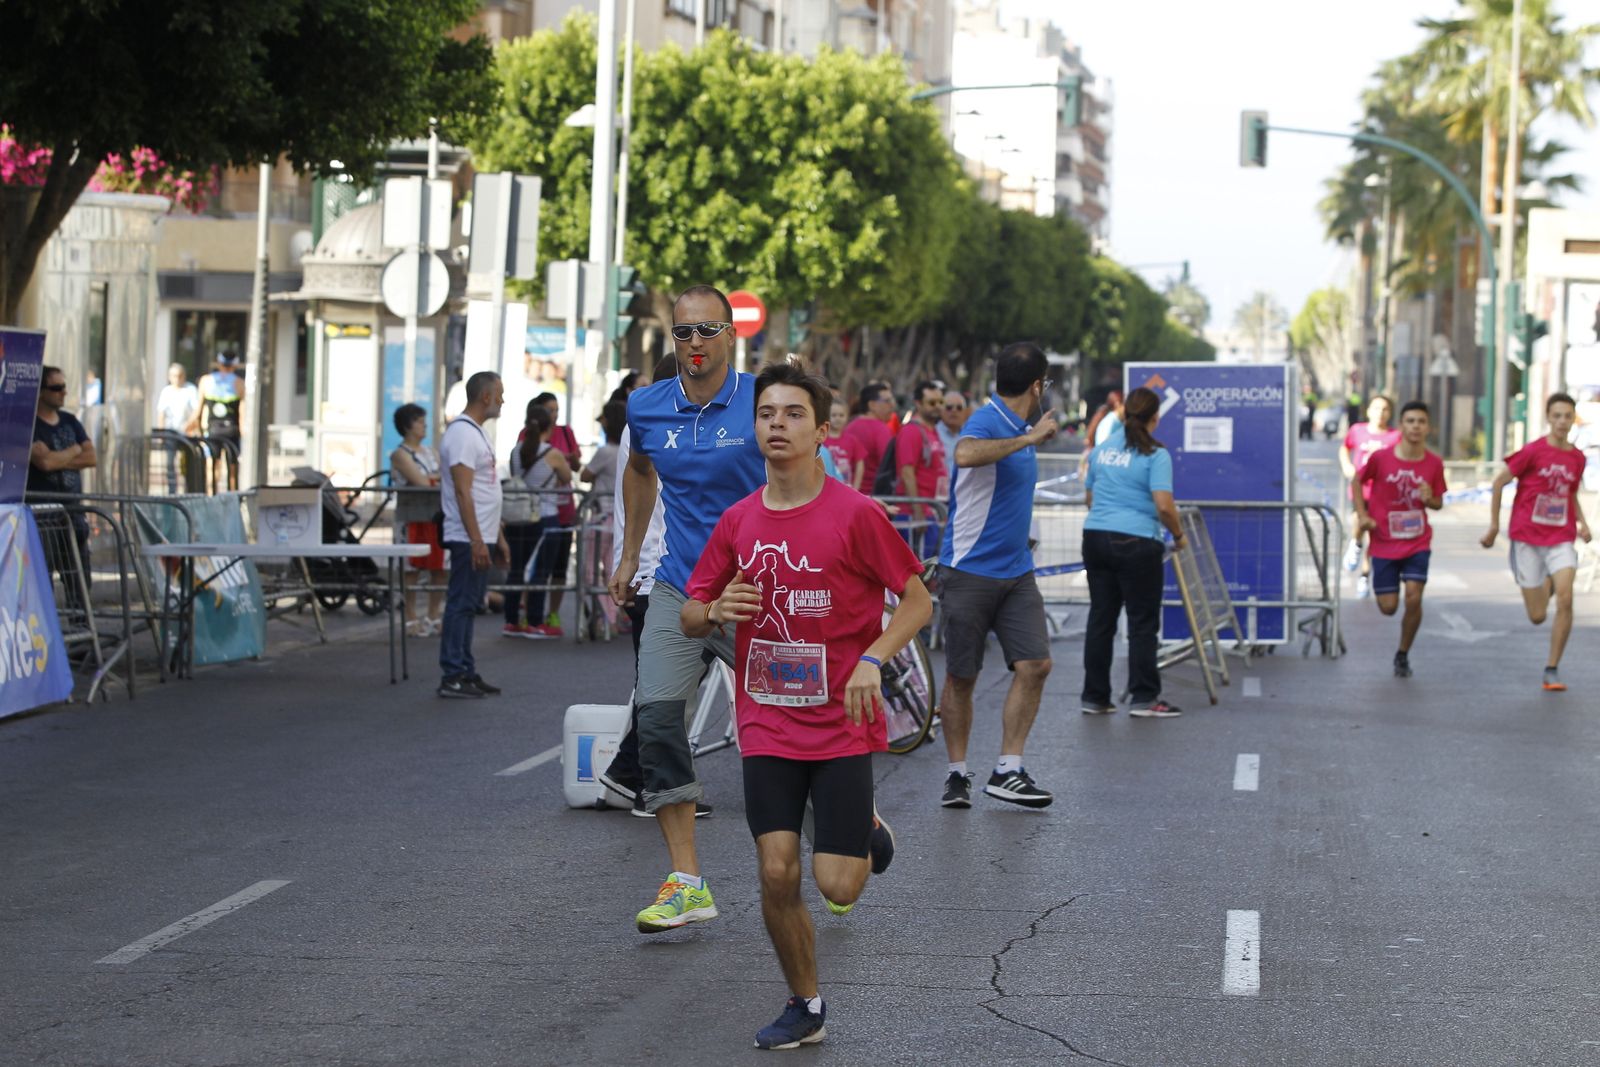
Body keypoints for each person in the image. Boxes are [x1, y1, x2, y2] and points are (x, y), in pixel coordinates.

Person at [681, 360, 930, 1050]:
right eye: (767, 414)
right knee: (775, 869)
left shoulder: (857, 514)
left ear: (822, 430)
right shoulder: (738, 521)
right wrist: (712, 609)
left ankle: (866, 829)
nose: (777, 425)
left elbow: (917, 599)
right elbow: (691, 612)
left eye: (793, 414)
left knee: (840, 885)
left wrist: (873, 659)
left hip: (843, 721)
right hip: (766, 717)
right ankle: (805, 1002)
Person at [608, 285, 767, 932]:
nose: (695, 344)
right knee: (656, 716)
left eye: (707, 331)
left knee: (795, 730)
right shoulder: (646, 407)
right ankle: (687, 878)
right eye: (683, 333)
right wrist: (627, 557)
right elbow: (640, 471)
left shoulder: (764, 401)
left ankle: (845, 827)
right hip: (684, 586)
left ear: (730, 335)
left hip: (763, 589)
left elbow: (815, 477)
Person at [936, 343, 1058, 809]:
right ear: (1036, 386)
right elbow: (965, 454)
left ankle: (1008, 769)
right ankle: (957, 774)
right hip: (969, 570)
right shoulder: (989, 421)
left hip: (1016, 573)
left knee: (1036, 665)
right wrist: (1028, 440)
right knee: (962, 677)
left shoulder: (1019, 425)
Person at [599, 355, 712, 820]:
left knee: (661, 687)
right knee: (667, 690)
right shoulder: (660, 428)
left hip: (653, 571)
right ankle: (643, 781)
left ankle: (630, 775)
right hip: (660, 575)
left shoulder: (644, 429)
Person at [1080, 386, 1187, 718]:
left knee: (1101, 619)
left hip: (1095, 536)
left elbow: (1089, 498)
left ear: (1124, 414)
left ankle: (1095, 696)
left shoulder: (1102, 450)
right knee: (1142, 622)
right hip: (1137, 541)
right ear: (1156, 417)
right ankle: (1144, 697)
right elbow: (1164, 506)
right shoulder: (1156, 455)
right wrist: (1179, 535)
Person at [1480, 392, 1592, 691]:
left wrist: (1582, 522)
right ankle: (1548, 582)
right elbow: (1499, 482)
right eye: (1556, 416)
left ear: (1572, 419)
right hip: (1527, 538)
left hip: (1560, 536)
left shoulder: (1577, 458)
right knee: (1537, 615)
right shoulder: (1532, 452)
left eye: (1567, 416)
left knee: (1567, 600)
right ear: (1548, 418)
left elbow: (1569, 493)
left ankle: (1552, 669)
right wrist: (1493, 526)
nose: (1562, 422)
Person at [1353, 401, 1446, 680]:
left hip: (1417, 541)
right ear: (1401, 426)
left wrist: (1430, 498)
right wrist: (1363, 515)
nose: (1415, 426)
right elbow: (1357, 482)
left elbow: (1438, 502)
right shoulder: (1381, 458)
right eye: (1410, 421)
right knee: (1389, 607)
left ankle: (1403, 653)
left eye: (1421, 421)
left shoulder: (1434, 463)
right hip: (1383, 540)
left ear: (1428, 428)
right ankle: (1376, 579)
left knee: (1414, 597)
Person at [437, 371, 510, 699]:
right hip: (468, 537)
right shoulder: (462, 434)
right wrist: (477, 540)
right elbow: (463, 493)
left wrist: (497, 536)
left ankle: (464, 669)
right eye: (500, 394)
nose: (502, 401)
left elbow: (484, 490)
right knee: (461, 604)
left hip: (479, 535)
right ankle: (452, 673)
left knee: (470, 605)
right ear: (486, 396)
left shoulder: (475, 432)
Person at [27, 366, 98, 618]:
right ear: (41, 391)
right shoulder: (30, 424)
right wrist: (74, 451)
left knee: (79, 585)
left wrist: (59, 457)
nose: (63, 392)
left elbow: (91, 457)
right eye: (56, 388)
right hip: (43, 519)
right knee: (41, 583)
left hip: (73, 516)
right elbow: (43, 463)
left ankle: (82, 645)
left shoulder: (70, 421)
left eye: (64, 387)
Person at [505, 404, 571, 639]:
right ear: (549, 428)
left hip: (517, 516)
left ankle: (511, 620)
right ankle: (535, 621)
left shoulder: (516, 450)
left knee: (516, 568)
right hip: (546, 516)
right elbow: (566, 477)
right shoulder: (553, 454)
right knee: (540, 570)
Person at [390, 403, 446, 637]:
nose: (424, 426)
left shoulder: (431, 452)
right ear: (407, 426)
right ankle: (410, 614)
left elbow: (443, 476)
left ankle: (434, 614)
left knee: (440, 567)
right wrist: (434, 478)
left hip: (435, 515)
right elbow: (421, 481)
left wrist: (431, 477)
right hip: (411, 516)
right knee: (411, 567)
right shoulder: (400, 454)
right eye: (420, 421)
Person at [1339, 395, 1399, 599]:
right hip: (1360, 489)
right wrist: (1347, 466)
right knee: (1359, 520)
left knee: (1374, 536)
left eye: (1385, 409)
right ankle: (1355, 543)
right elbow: (1344, 448)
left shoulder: (1395, 437)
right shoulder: (1357, 430)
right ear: (1368, 411)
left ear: (1390, 413)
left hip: (1383, 493)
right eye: (1376, 408)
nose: (1380, 413)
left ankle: (1365, 575)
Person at [529, 392, 580, 635]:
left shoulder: (566, 432)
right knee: (537, 567)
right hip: (537, 512)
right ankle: (531, 614)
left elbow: (576, 467)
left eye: (557, 410)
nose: (555, 415)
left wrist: (569, 459)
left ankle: (553, 613)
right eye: (550, 410)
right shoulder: (527, 435)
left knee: (558, 567)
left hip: (564, 510)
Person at [581, 401, 628, 620]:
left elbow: (585, 475)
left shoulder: (605, 452)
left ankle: (601, 613)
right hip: (618, 518)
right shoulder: (626, 450)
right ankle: (612, 616)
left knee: (589, 568)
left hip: (600, 516)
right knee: (612, 568)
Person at [895, 379, 949, 559]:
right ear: (918, 404)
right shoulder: (911, 432)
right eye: (931, 403)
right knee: (918, 574)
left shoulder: (932, 431)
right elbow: (907, 472)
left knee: (930, 573)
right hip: (914, 516)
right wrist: (918, 512)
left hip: (933, 512)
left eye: (941, 402)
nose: (938, 407)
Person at [197, 352, 244, 489]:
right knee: (233, 469)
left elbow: (198, 410)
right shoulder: (239, 383)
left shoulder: (206, 380)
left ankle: (212, 495)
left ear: (219, 363)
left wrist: (196, 426)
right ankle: (233, 497)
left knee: (212, 466)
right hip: (232, 431)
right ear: (234, 365)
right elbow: (242, 412)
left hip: (213, 429)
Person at [154, 362, 200, 493]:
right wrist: (161, 432)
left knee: (187, 463)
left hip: (186, 433)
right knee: (170, 463)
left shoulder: (190, 389)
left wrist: (189, 425)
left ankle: (188, 489)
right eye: (174, 376)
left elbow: (196, 411)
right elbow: (161, 413)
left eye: (179, 376)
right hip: (170, 432)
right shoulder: (166, 391)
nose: (177, 379)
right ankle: (171, 490)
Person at [842, 383, 895, 493]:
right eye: (887, 401)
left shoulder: (849, 426)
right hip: (873, 496)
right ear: (872, 405)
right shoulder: (881, 429)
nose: (892, 405)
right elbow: (889, 466)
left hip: (848, 492)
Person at [822, 396, 860, 488]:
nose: (837, 418)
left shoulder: (852, 440)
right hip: (825, 486)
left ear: (847, 416)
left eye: (841, 415)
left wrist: (856, 487)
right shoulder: (821, 439)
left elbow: (860, 463)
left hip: (846, 486)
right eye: (834, 415)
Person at [937, 389, 968, 481]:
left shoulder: (970, 436)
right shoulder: (933, 433)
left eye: (959, 408)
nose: (954, 411)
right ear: (941, 410)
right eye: (949, 407)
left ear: (965, 412)